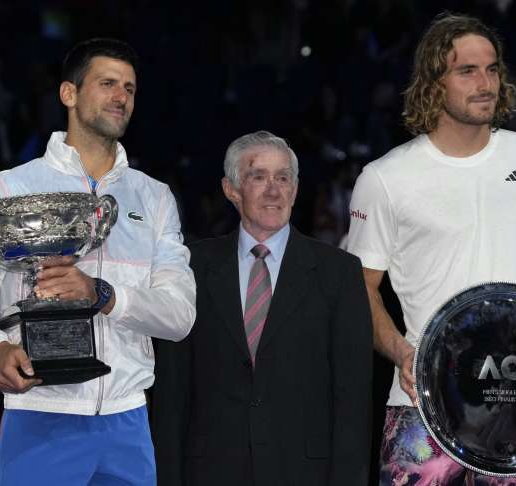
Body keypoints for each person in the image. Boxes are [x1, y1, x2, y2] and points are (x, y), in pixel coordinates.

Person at [345, 13, 516, 486]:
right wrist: (402, 351)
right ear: (432, 83)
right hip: (422, 404)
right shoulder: (385, 179)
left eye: (492, 69)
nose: (485, 83)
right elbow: (360, 287)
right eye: (467, 71)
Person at [0, 38, 196, 486]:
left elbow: (179, 317)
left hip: (128, 421)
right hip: (41, 414)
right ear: (69, 93)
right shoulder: (9, 188)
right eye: (106, 84)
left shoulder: (153, 197)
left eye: (130, 88)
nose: (121, 97)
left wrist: (101, 294)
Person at [153, 130, 373, 486]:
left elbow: (353, 399)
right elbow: (172, 393)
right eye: (258, 176)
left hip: (306, 473)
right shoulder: (191, 268)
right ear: (231, 189)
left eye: (283, 177)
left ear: (296, 189)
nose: (274, 189)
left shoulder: (339, 272)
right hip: (210, 471)